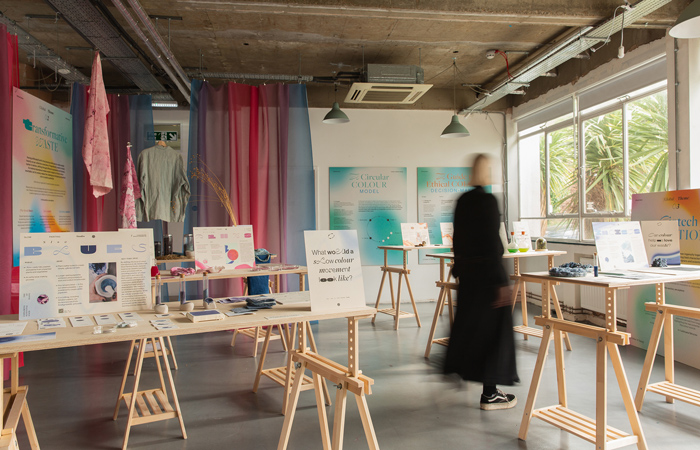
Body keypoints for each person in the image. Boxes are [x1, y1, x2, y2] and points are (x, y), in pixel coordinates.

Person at [444, 153, 519, 410]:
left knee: (471, 329)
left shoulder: (463, 201)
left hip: (469, 281)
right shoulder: (488, 201)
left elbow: (458, 240)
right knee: (494, 335)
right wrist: (502, 283)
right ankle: (490, 393)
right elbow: (492, 245)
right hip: (489, 282)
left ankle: (465, 372)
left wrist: (460, 272)